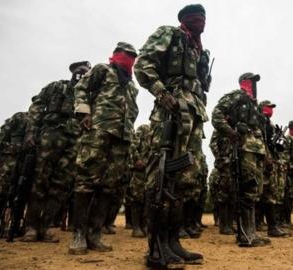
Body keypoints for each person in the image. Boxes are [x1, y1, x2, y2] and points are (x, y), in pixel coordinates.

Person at [134, 4, 209, 268]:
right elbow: (142, 65)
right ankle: (156, 249)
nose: (202, 23)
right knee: (161, 177)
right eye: (196, 19)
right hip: (170, 113)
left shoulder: (199, 50)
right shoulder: (169, 33)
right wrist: (162, 94)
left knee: (184, 180)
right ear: (185, 20)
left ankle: (173, 242)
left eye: (204, 19)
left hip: (193, 117)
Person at [68, 42, 139, 255]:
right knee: (87, 180)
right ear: (116, 55)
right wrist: (84, 113)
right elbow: (81, 89)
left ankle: (95, 234)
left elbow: (133, 110)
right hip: (98, 130)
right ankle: (78, 235)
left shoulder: (132, 85)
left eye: (132, 57)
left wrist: (130, 130)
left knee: (110, 185)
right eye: (125, 55)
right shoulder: (102, 70)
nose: (129, 60)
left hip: (122, 137)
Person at [21, 61, 91, 243]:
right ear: (72, 72)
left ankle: (44, 228)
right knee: (39, 180)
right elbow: (36, 107)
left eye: (85, 72)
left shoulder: (89, 96)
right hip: (49, 136)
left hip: (74, 141)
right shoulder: (55, 87)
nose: (81, 74)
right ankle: (31, 227)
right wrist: (31, 132)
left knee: (61, 186)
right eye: (79, 71)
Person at [211, 72, 271, 247]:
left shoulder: (255, 106)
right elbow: (216, 115)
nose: (254, 85)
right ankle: (245, 235)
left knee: (255, 191)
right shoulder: (235, 96)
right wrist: (231, 133)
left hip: (257, 151)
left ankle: (251, 232)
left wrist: (266, 153)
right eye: (251, 81)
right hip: (243, 150)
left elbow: (261, 133)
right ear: (244, 82)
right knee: (246, 189)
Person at [0, 112, 28, 233]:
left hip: (29, 161)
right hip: (10, 159)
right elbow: (1, 137)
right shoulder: (20, 116)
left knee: (22, 192)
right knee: (1, 191)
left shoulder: (44, 119)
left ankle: (15, 224)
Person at [258, 100, 290, 237]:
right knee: (264, 192)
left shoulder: (269, 124)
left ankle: (273, 226)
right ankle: (266, 226)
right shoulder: (258, 121)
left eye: (271, 108)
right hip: (262, 159)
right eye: (268, 107)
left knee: (272, 192)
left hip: (272, 159)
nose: (270, 110)